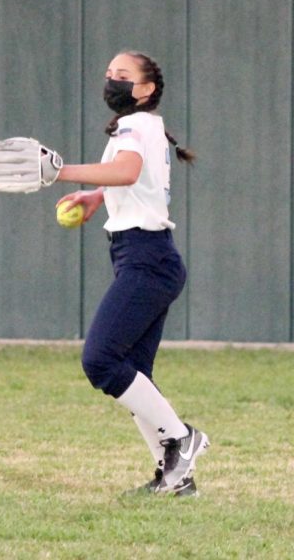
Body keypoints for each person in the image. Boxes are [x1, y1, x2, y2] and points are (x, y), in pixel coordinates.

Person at [55, 51, 208, 496]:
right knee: (135, 373)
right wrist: (96, 196)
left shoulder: (134, 125)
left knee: (100, 361)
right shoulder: (147, 125)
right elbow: (132, 180)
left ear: (146, 89)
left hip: (146, 259)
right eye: (108, 75)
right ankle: (177, 480)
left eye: (123, 76)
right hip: (145, 257)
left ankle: (182, 439)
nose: (113, 81)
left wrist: (60, 172)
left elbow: (128, 170)